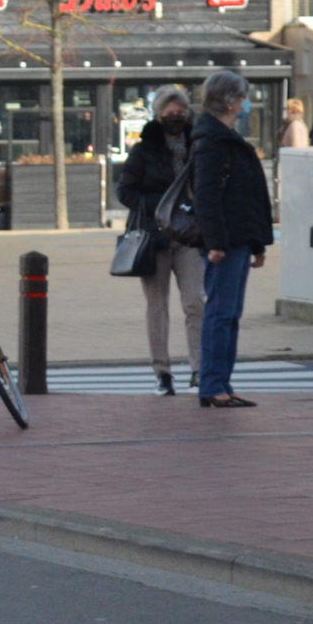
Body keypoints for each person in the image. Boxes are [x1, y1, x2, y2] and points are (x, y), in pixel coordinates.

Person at [190, 68, 274, 410]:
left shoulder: (218, 138)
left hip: (236, 240)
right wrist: (216, 243)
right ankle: (213, 385)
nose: (244, 104)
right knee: (221, 315)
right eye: (241, 98)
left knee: (228, 315)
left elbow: (242, 196)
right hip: (226, 243)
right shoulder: (213, 141)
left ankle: (220, 383)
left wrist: (256, 243)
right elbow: (208, 196)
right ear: (229, 101)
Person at [115, 84, 204, 396]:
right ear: (158, 114)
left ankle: (199, 368)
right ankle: (162, 372)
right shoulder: (144, 150)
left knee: (195, 301)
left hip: (191, 235)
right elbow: (125, 191)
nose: (176, 115)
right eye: (169, 110)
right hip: (156, 237)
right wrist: (160, 208)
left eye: (180, 110)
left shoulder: (199, 144)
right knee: (157, 306)